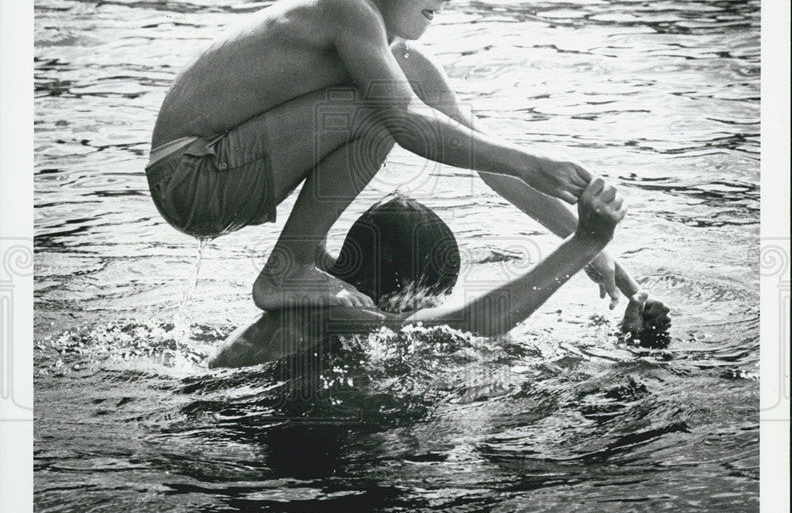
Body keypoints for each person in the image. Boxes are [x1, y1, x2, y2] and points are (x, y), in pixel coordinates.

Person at [147, 0, 665, 330]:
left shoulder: (398, 57)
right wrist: (531, 160)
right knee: (383, 113)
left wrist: (598, 255)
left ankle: (308, 260)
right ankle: (291, 265)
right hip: (192, 171)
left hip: (221, 175)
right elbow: (409, 123)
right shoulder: (343, 6)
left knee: (391, 114)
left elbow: (488, 163)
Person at [208, 181, 670, 370]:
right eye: (432, 297)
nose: (433, 306)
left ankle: (623, 347)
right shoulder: (346, 312)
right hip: (224, 412)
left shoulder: (320, 281)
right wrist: (583, 243)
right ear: (409, 291)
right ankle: (626, 354)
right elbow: (477, 320)